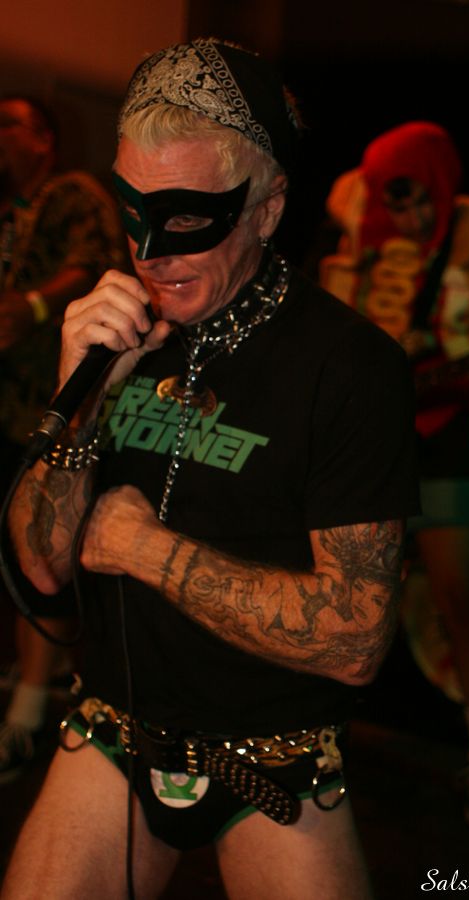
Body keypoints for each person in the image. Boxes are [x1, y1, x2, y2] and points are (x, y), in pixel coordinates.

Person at [1, 39, 418, 899]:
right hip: (113, 727)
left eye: (187, 219)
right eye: (133, 210)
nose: (150, 253)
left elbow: (354, 639)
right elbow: (40, 568)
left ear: (266, 209)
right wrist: (79, 395)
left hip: (274, 754)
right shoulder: (117, 329)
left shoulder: (348, 367)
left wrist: (146, 550)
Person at [316, 121, 469, 830]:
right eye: (394, 200)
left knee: (459, 597)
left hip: (443, 437)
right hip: (363, 442)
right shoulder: (353, 226)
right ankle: (310, 748)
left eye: (416, 200)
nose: (406, 215)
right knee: (343, 600)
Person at [0, 94, 125, 783]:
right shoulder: (7, 209)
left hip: (45, 405)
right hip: (3, 405)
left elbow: (100, 264)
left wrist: (33, 306)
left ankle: (26, 715)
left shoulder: (74, 193)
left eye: (7, 124)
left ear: (44, 138)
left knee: (38, 552)